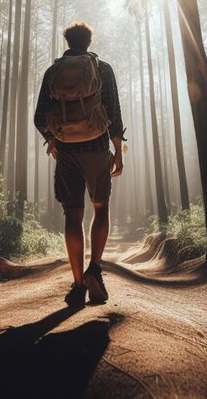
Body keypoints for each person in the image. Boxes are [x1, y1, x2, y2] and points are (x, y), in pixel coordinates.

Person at [34, 21, 125, 307]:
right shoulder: (103, 68)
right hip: (97, 147)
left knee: (73, 215)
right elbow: (114, 114)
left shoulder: (52, 71)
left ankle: (77, 286)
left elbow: (39, 117)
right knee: (101, 208)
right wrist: (118, 151)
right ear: (88, 41)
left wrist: (53, 140)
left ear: (67, 42)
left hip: (66, 152)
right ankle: (95, 270)